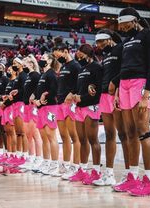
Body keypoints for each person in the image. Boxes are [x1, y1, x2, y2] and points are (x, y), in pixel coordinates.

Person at [113, 7, 150, 196]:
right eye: (120, 26)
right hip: (123, 85)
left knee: (142, 131)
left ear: (134, 20)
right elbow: (124, 67)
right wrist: (117, 90)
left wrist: (146, 93)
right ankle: (133, 176)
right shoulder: (127, 40)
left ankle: (149, 181)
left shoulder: (149, 35)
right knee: (130, 131)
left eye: (124, 25)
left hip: (140, 84)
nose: (122, 29)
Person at [91, 29, 130, 186]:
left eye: (101, 42)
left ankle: (129, 174)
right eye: (97, 43)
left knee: (123, 134)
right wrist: (95, 86)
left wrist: (118, 88)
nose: (99, 46)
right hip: (104, 95)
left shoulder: (121, 48)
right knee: (109, 135)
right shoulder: (106, 56)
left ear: (109, 39)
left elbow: (125, 70)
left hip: (117, 95)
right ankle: (109, 174)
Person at [72, 44, 103, 185]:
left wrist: (82, 98)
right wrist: (74, 96)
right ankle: (82, 170)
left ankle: (96, 172)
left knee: (93, 139)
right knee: (82, 140)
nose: (78, 57)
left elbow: (97, 93)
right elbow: (80, 89)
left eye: (80, 55)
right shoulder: (81, 69)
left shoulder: (97, 67)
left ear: (88, 54)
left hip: (91, 107)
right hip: (79, 108)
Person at [52, 43, 81, 179]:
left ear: (65, 51)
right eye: (55, 57)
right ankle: (65, 165)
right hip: (60, 104)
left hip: (70, 104)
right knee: (64, 137)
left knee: (74, 137)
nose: (58, 59)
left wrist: (73, 92)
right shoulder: (63, 67)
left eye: (59, 56)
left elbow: (80, 83)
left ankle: (75, 166)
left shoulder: (76, 66)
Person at [33, 53, 59, 176]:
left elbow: (55, 90)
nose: (41, 60)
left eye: (43, 58)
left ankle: (54, 165)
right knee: (44, 137)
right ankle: (46, 162)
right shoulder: (43, 74)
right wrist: (37, 100)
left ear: (49, 61)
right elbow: (39, 92)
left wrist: (45, 95)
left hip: (51, 108)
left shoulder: (52, 74)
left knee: (51, 136)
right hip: (41, 108)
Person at [19, 54, 42, 170]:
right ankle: (31, 158)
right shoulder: (28, 76)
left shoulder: (36, 75)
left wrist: (34, 95)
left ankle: (39, 159)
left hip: (33, 107)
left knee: (35, 134)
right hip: (26, 107)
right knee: (28, 134)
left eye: (25, 64)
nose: (23, 66)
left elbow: (41, 88)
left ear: (32, 64)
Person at [9, 57, 28, 160]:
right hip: (15, 104)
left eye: (16, 63)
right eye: (13, 63)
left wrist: (17, 92)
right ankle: (18, 155)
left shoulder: (24, 75)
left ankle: (25, 156)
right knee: (18, 132)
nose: (14, 64)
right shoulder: (18, 76)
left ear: (21, 64)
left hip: (21, 104)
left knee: (22, 132)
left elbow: (24, 89)